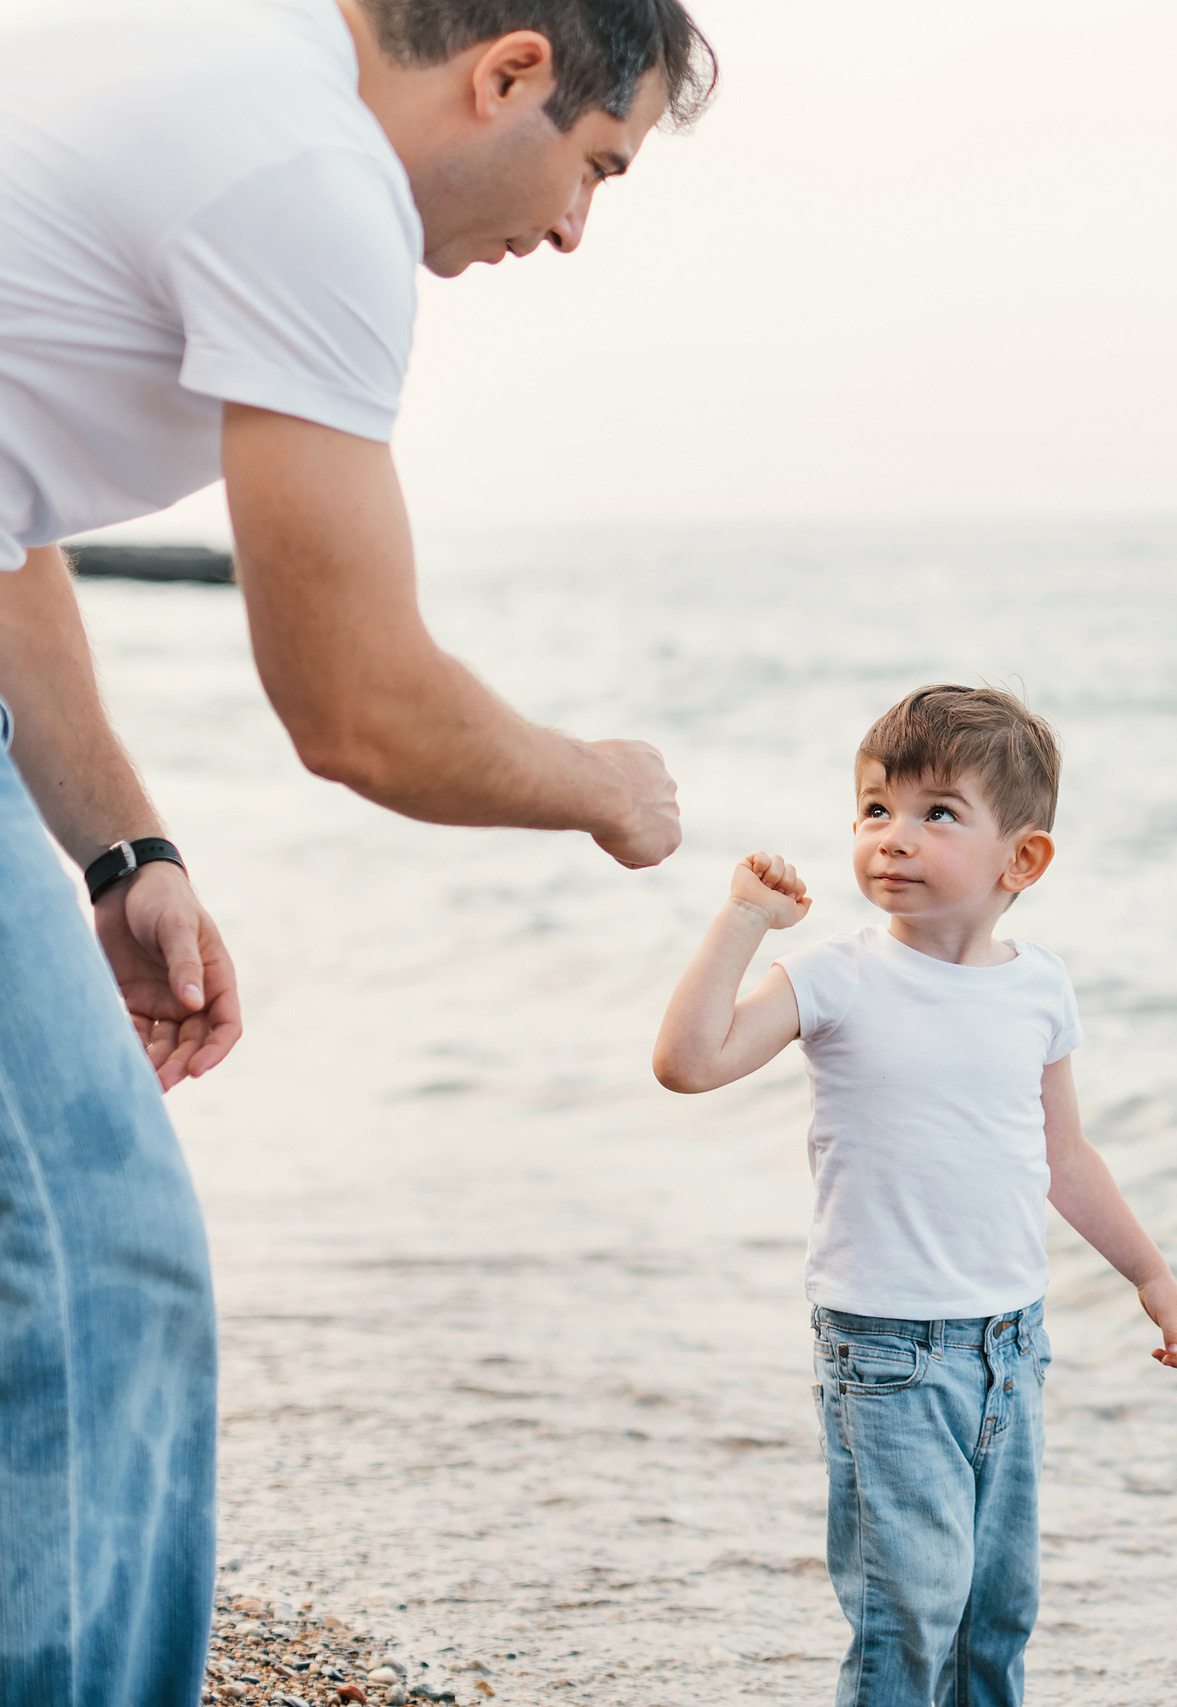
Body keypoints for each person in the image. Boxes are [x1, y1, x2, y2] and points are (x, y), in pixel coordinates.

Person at [0, 1, 712, 1700]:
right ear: (513, 71)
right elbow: (362, 709)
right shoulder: (314, 179)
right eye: (593, 170)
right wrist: (605, 786)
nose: (571, 231)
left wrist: (122, 848)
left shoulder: (190, 63)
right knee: (101, 1276)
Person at [653, 684, 1177, 1707]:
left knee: (996, 1613)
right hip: (886, 1353)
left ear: (1022, 859)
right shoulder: (836, 977)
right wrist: (743, 921)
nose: (891, 838)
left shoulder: (1038, 987)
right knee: (905, 1613)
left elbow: (1065, 1156)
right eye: (874, 809)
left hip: (1009, 1346)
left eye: (934, 813)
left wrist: (1151, 1273)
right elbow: (687, 1064)